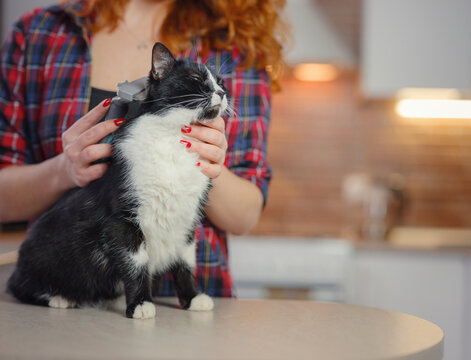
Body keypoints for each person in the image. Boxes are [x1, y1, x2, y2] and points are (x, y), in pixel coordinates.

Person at [0, 0, 286, 297]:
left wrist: (207, 166)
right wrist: (63, 171)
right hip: (72, 291)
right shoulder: (39, 34)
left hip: (184, 308)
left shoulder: (235, 44)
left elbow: (245, 217)